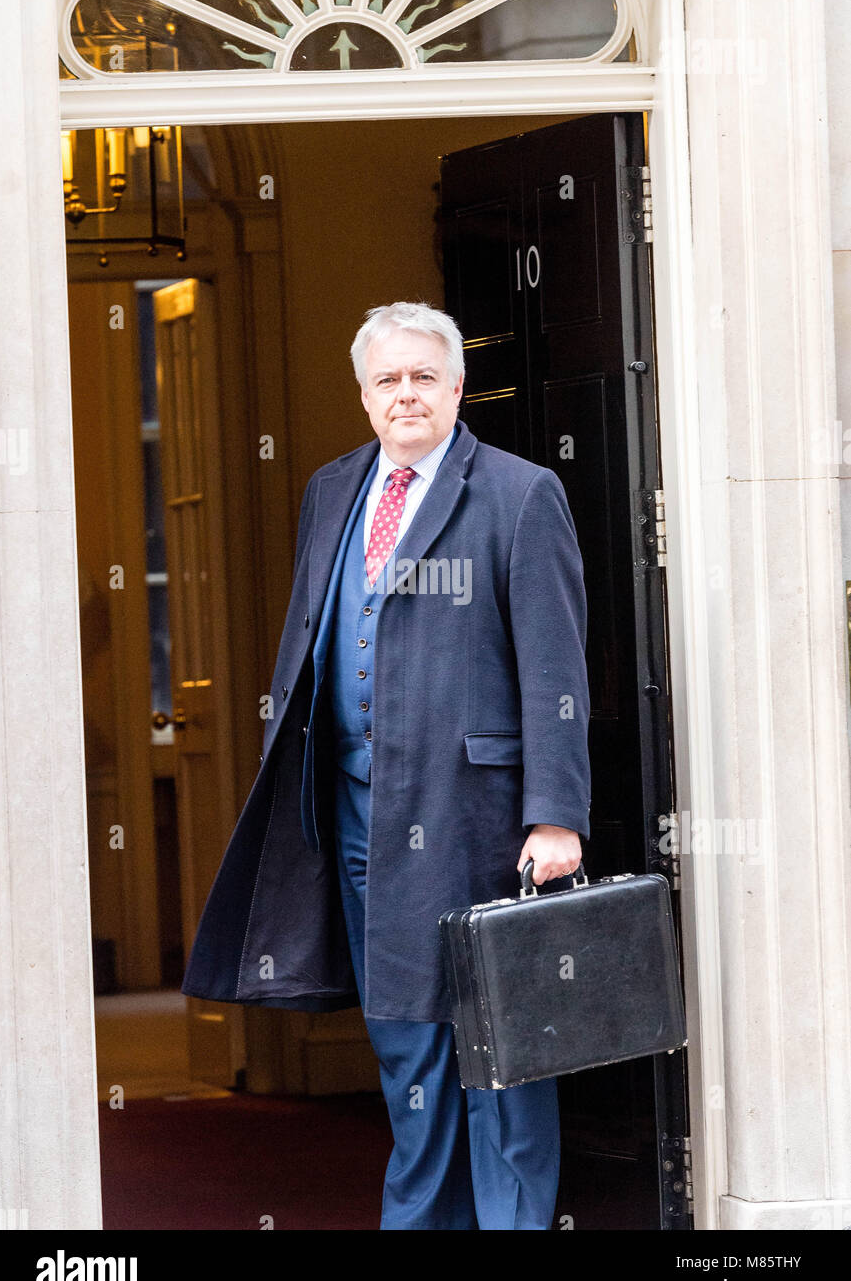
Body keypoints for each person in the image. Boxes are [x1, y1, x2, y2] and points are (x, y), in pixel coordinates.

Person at [181, 301, 591, 1230]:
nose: (404, 395)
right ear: (364, 397)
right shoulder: (331, 491)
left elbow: (556, 668)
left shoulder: (520, 495)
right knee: (406, 1045)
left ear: (456, 387)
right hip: (360, 818)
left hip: (482, 821)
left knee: (503, 1046)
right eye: (386, 380)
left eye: (422, 377)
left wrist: (555, 815)